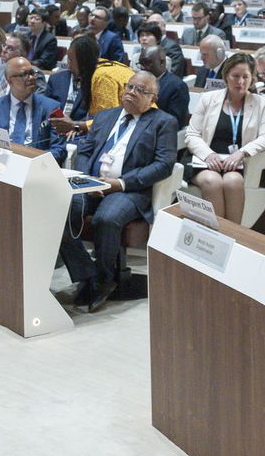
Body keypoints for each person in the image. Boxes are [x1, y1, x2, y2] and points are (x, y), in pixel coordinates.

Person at [57, 70, 176, 312]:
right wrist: (86, 178)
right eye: (129, 87)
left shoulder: (163, 122)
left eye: (140, 90)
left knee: (106, 218)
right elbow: (86, 150)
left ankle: (104, 280)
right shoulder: (105, 116)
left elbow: (163, 165)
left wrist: (120, 183)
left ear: (153, 98)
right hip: (91, 183)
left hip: (129, 189)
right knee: (58, 209)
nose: (131, 92)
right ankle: (86, 273)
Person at [186, 53, 265, 223]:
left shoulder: (260, 103)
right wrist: (208, 154)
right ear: (226, 76)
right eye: (235, 76)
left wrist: (242, 153)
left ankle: (233, 237)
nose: (240, 82)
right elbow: (192, 134)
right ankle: (216, 236)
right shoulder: (208, 99)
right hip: (204, 161)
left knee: (233, 182)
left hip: (234, 162)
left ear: (252, 78)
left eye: (245, 77)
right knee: (213, 181)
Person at [0, 56, 62, 158]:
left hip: (36, 166)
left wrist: (35, 162)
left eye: (32, 73)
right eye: (24, 74)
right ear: (9, 80)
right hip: (0, 164)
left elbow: (59, 149)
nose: (31, 78)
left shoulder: (53, 108)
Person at [138, 45, 189, 127]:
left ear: (161, 62)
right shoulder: (137, 83)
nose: (142, 67)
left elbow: (174, 121)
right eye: (140, 63)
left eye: (147, 63)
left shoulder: (177, 86)